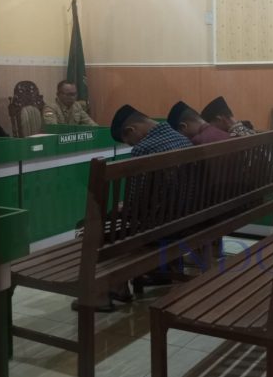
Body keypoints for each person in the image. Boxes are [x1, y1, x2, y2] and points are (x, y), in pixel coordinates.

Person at [72, 105, 192, 312]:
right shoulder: (182, 139)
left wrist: (124, 206)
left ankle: (108, 290)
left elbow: (136, 201)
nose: (132, 145)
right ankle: (150, 274)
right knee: (118, 219)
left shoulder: (144, 149)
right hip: (186, 217)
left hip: (158, 225)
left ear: (131, 130)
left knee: (87, 227)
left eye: (129, 141)